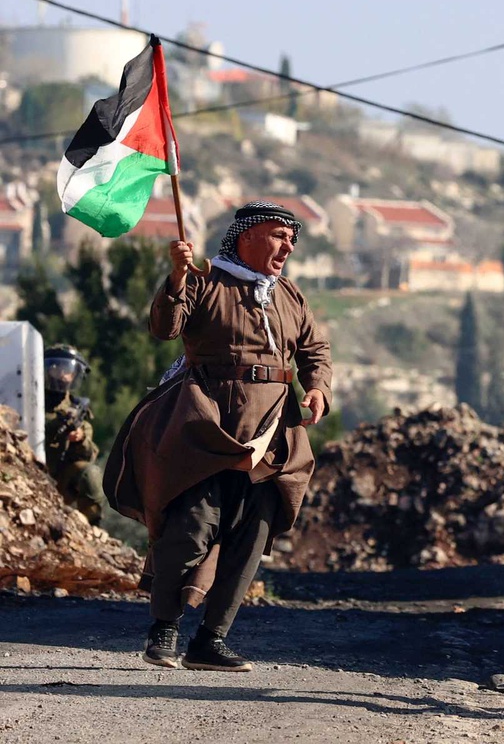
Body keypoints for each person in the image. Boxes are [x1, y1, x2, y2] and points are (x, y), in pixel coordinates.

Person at [104, 201, 332, 672]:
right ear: (245, 238)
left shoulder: (289, 296)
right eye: (277, 235)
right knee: (191, 529)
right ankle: (163, 630)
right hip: (205, 428)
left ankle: (211, 640)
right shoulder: (205, 282)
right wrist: (177, 278)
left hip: (271, 434)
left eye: (292, 238)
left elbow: (315, 349)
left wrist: (317, 389)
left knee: (252, 536)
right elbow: (165, 327)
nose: (288, 245)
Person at [43, 344, 104, 524]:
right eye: (57, 369)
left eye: (67, 370)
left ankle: (92, 527)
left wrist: (80, 439)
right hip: (28, 475)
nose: (62, 375)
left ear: (75, 375)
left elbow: (89, 456)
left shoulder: (77, 411)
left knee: (91, 473)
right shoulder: (30, 400)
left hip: (59, 481)